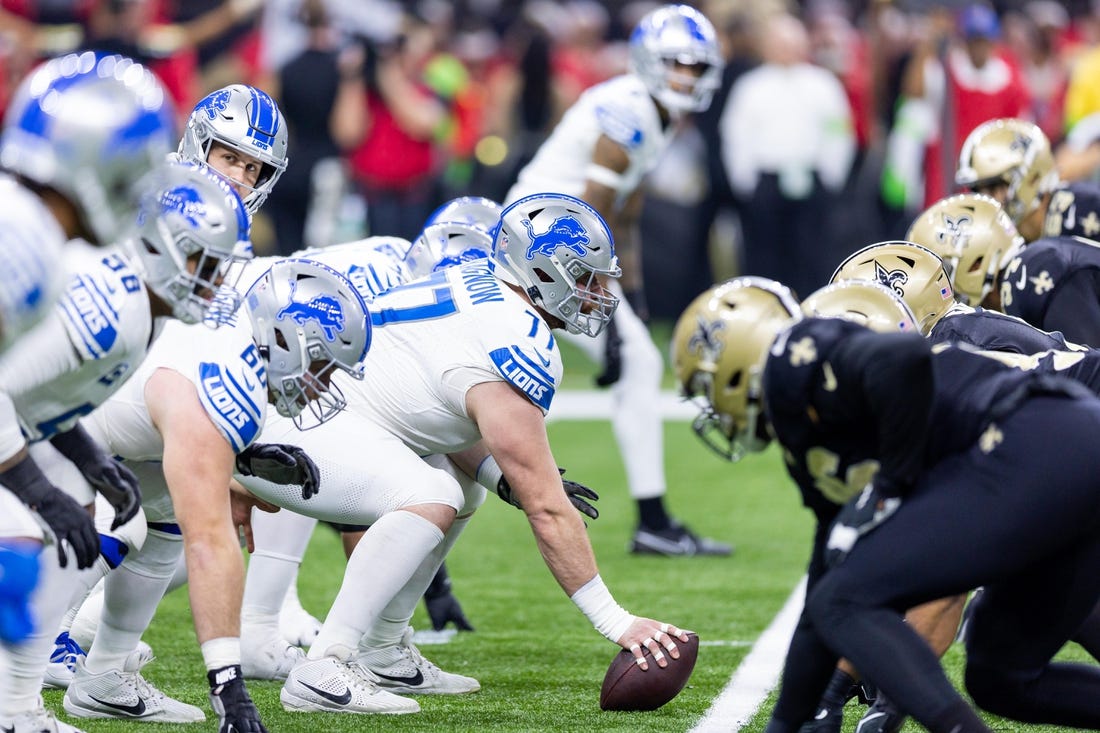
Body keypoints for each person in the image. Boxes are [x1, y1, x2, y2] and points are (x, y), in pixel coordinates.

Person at [230, 193, 692, 714]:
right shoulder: (516, 337)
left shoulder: (487, 292)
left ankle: (383, 650)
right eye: (585, 277)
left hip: (304, 414)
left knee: (467, 482)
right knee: (433, 492)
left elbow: (454, 407)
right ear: (542, 271)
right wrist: (617, 621)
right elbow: (546, 507)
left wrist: (501, 478)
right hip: (293, 421)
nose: (597, 294)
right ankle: (325, 665)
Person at [673, 277, 1100, 733]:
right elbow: (826, 577)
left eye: (709, 386)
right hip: (1062, 450)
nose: (714, 408)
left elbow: (905, 357)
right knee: (1001, 678)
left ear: (739, 361)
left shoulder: (797, 352)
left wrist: (891, 484)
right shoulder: (805, 436)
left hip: (1036, 439)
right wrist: (791, 718)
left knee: (846, 598)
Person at [62, 259, 371, 732]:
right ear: (285, 341)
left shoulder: (235, 343)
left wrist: (241, 460)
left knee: (162, 515)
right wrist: (228, 683)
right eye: (322, 366)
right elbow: (209, 543)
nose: (324, 384)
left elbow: (164, 417)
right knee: (120, 524)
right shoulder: (227, 385)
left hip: (88, 428)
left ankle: (104, 675)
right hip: (43, 431)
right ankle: (14, 698)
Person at [505, 3, 731, 556]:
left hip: (555, 244)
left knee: (635, 362)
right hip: (539, 247)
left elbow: (624, 212)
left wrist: (631, 295)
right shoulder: (628, 108)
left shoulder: (650, 110)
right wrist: (599, 301)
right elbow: (596, 206)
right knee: (516, 377)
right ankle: (652, 520)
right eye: (677, 63)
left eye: (696, 67)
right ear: (649, 62)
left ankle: (653, 519)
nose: (687, 76)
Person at [0, 50, 177, 733]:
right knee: (17, 547)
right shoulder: (29, 242)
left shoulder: (27, 224)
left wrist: (82, 452)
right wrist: (37, 490)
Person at [955, 117, 1060, 243]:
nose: (984, 200)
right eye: (977, 190)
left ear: (1033, 179)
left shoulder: (1078, 221)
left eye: (994, 187)